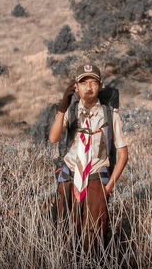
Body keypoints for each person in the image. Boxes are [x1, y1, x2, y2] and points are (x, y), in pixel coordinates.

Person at [49, 64, 128, 251]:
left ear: (100, 86)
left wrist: (107, 189)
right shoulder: (70, 110)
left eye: (93, 82)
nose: (88, 87)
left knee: (94, 237)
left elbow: (123, 154)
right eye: (83, 83)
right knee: (65, 232)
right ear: (76, 87)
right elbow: (53, 138)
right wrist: (62, 107)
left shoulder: (110, 114)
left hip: (95, 178)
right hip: (70, 177)